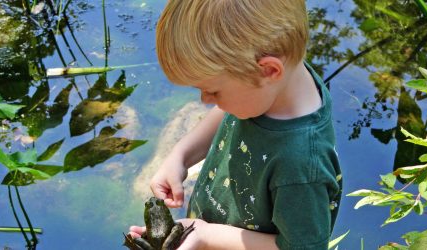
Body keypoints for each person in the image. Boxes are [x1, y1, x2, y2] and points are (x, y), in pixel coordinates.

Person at [129, 0, 342, 249]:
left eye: (213, 91)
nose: (205, 101)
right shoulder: (274, 87)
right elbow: (226, 111)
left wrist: (208, 237)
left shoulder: (301, 164)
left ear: (269, 71)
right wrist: (181, 156)